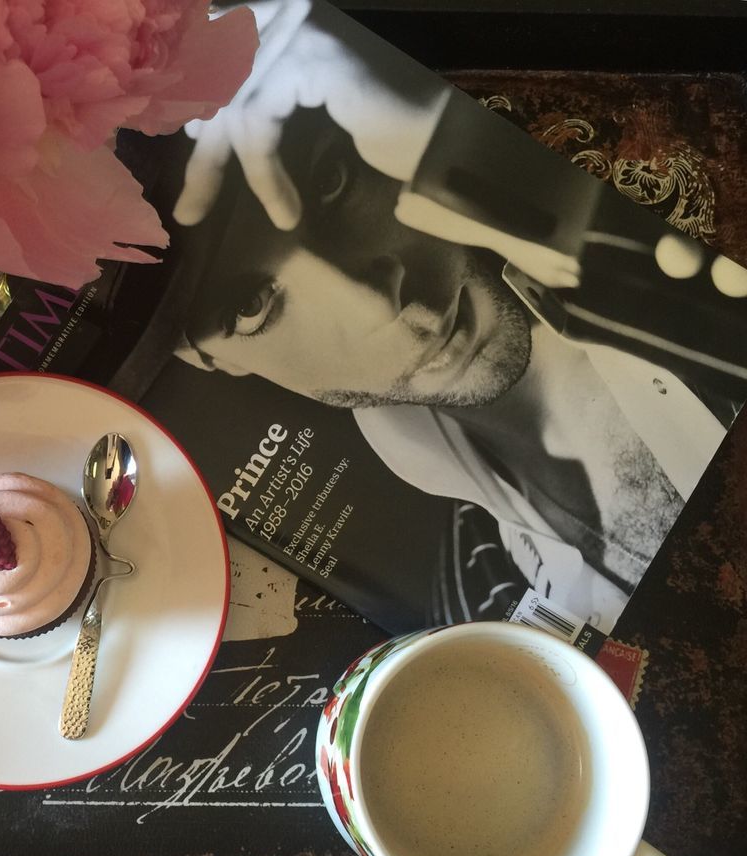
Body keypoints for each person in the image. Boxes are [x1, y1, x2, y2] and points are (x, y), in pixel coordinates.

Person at [166, 1, 735, 630]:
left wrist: (463, 140)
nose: (384, 303)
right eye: (251, 307)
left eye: (332, 181)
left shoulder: (667, 280)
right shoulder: (446, 521)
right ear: (208, 357)